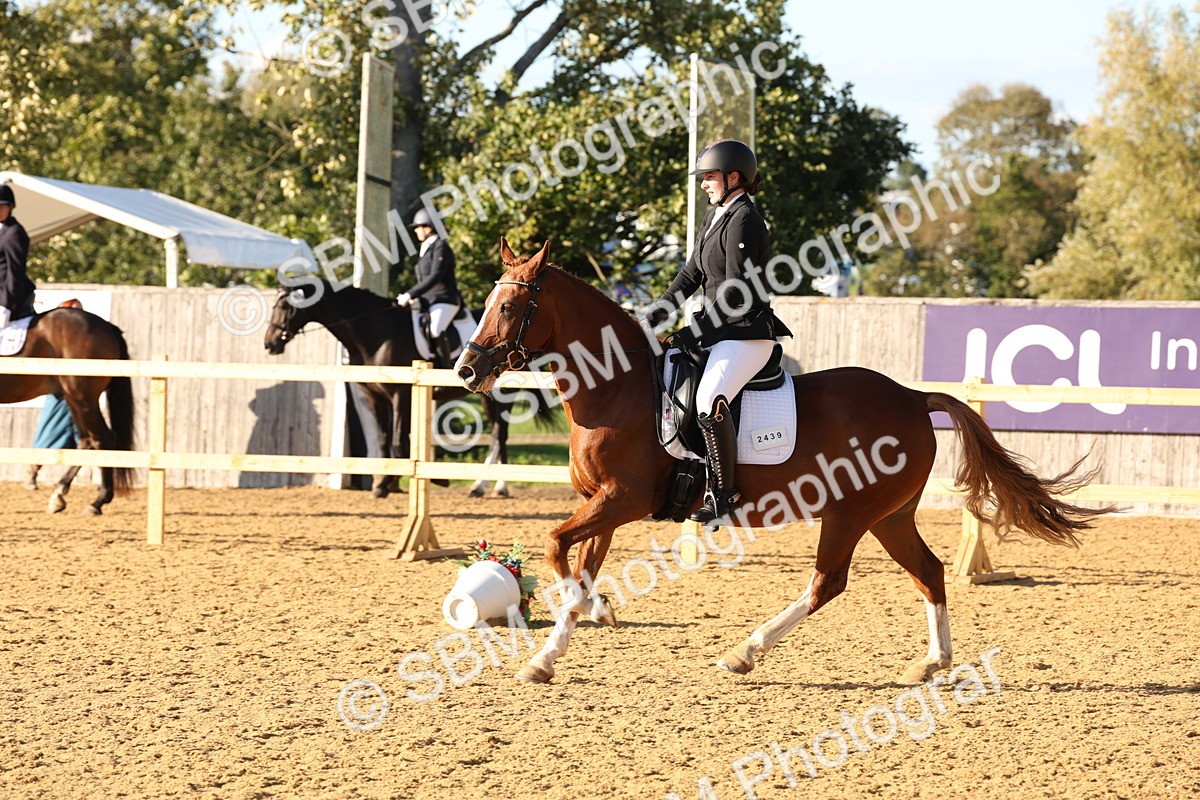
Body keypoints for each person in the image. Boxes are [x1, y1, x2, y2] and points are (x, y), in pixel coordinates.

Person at [643, 139, 792, 527]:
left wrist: (689, 334)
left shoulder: (745, 218)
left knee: (711, 397)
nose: (704, 184)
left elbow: (734, 294)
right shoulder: (716, 215)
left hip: (746, 334)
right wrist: (653, 315)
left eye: (709, 177)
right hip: (718, 332)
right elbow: (691, 274)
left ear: (733, 177)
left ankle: (724, 493)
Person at [25, 299, 84, 490]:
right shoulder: (55, 339)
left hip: (77, 392)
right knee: (49, 430)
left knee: (88, 438)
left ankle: (64, 481)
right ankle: (32, 472)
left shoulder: (83, 340)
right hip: (60, 393)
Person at [395, 208, 462, 369]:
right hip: (428, 301)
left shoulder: (441, 247)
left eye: (419, 227)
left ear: (429, 227)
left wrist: (410, 294)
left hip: (445, 300)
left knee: (435, 329)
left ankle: (444, 372)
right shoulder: (426, 248)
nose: (416, 231)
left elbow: (435, 276)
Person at [0, 182, 36, 330]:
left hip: (10, 298)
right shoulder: (3, 230)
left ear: (11, 207)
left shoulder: (14, 234)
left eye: (2, 207)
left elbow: (15, 273)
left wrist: (5, 305)